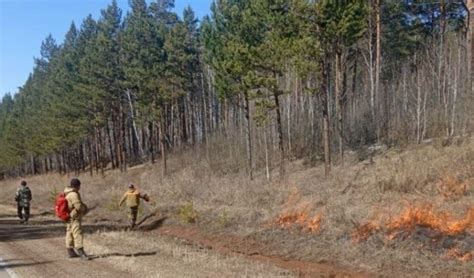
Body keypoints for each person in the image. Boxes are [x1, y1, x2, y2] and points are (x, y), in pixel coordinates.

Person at [64, 178, 89, 260]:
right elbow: (78, 206)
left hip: (68, 217)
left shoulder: (67, 193)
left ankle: (70, 251)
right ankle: (81, 252)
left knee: (69, 233)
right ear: (77, 186)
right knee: (77, 233)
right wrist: (85, 208)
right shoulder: (73, 194)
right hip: (74, 217)